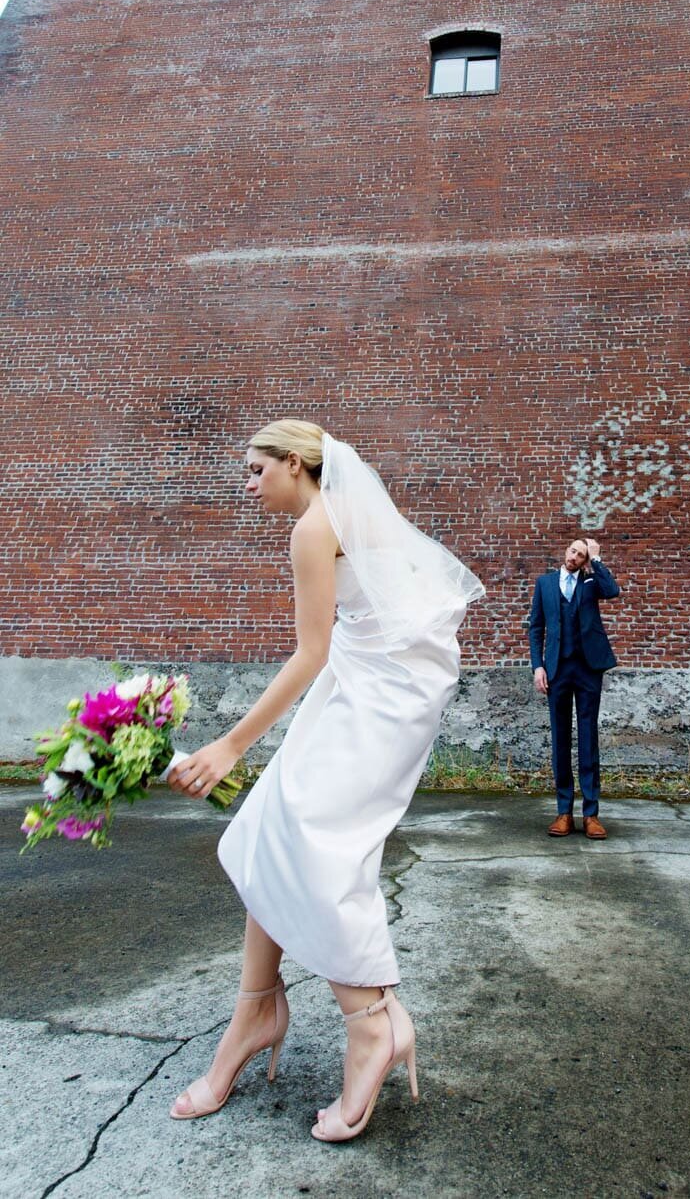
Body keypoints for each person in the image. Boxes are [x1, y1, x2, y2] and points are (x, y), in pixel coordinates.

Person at [167, 419, 484, 1142]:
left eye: (256, 470)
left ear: (295, 465)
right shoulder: (348, 512)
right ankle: (257, 1009)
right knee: (262, 832)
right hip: (370, 688)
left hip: (371, 701)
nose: (250, 486)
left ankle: (371, 1026)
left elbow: (310, 653)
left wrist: (231, 745)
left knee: (317, 847)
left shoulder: (314, 526)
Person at [529, 537, 620, 839]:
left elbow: (613, 591)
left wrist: (597, 559)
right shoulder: (545, 583)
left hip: (587, 669)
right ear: (565, 552)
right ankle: (563, 812)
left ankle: (591, 814)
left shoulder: (592, 581)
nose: (574, 558)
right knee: (560, 741)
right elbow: (536, 627)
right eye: (573, 551)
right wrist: (537, 666)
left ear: (584, 560)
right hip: (556, 669)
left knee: (588, 739)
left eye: (581, 555)